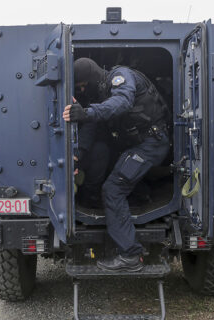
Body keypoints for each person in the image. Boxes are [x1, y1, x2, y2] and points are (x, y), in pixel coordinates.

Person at [63, 58, 170, 272]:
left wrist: (88, 112)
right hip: (136, 145)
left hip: (150, 145)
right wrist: (77, 156)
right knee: (110, 162)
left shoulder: (120, 77)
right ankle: (139, 196)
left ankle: (130, 255)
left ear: (91, 77)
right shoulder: (102, 92)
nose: (83, 89)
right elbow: (92, 127)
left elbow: (122, 102)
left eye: (83, 84)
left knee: (113, 189)